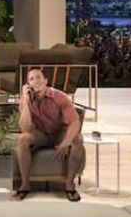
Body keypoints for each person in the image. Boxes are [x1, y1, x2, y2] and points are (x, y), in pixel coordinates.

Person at [15, 68, 85, 202]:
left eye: (38, 77)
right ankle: (25, 184)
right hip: (40, 133)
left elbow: (75, 122)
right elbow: (25, 128)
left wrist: (66, 142)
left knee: (78, 139)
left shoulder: (59, 97)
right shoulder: (26, 99)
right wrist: (26, 100)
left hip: (59, 132)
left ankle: (69, 184)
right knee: (23, 139)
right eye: (31, 79)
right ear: (28, 84)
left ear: (45, 81)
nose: (36, 81)